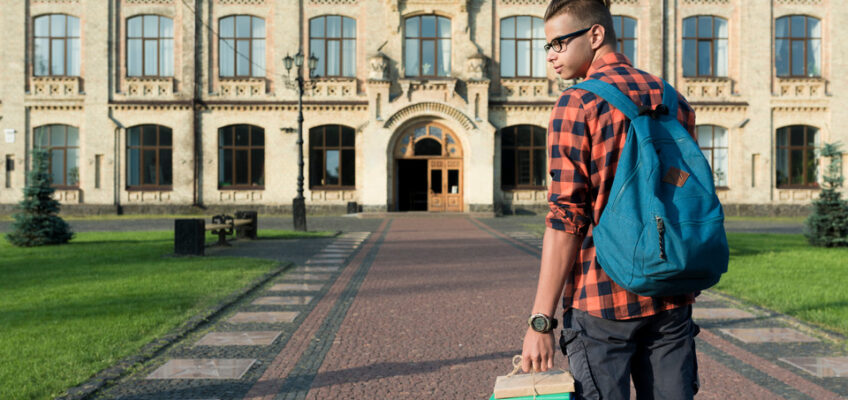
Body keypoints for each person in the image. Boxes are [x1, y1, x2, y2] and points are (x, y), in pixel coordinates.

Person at [520, 0, 700, 399]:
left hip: (601, 299)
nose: (551, 56)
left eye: (559, 43)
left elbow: (566, 216)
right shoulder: (671, 98)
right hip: (671, 289)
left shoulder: (577, 103)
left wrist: (540, 321)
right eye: (546, 46)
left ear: (596, 35)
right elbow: (683, 187)